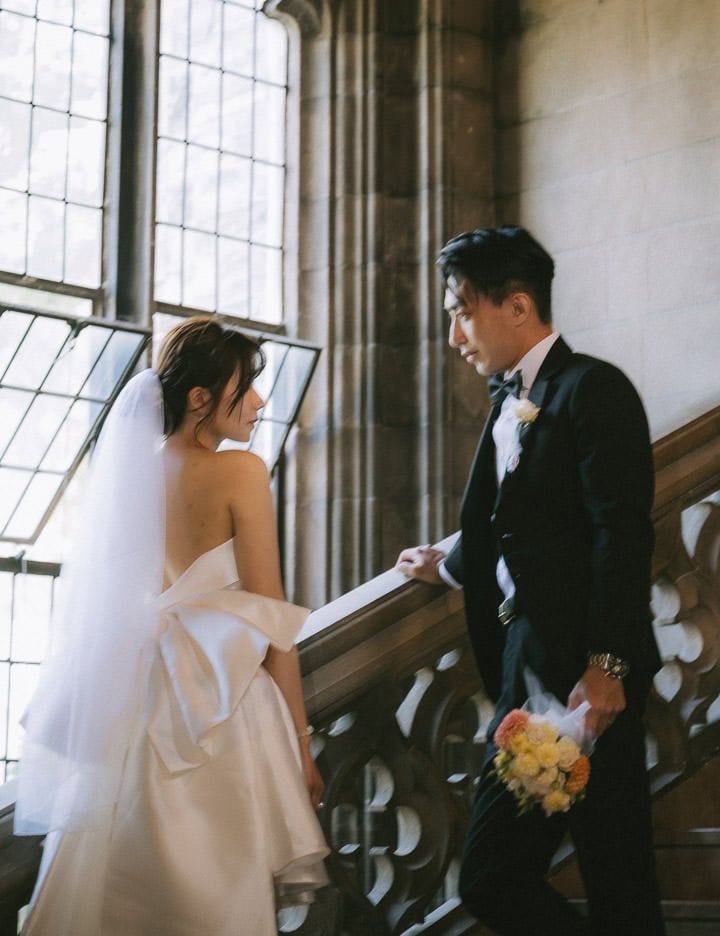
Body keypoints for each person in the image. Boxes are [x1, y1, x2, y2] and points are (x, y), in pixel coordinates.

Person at [15, 318, 329, 935]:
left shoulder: (134, 474)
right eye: (246, 386)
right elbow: (272, 618)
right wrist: (300, 743)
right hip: (222, 708)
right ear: (200, 398)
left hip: (135, 701)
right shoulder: (242, 472)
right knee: (218, 892)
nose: (260, 402)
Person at [396, 227, 665, 936]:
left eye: (462, 312)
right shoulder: (508, 400)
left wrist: (608, 665)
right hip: (526, 671)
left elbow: (620, 533)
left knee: (596, 886)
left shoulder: (593, 389)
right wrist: (445, 563)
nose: (454, 335)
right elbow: (516, 520)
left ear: (517, 305)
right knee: (524, 880)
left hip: (589, 680)